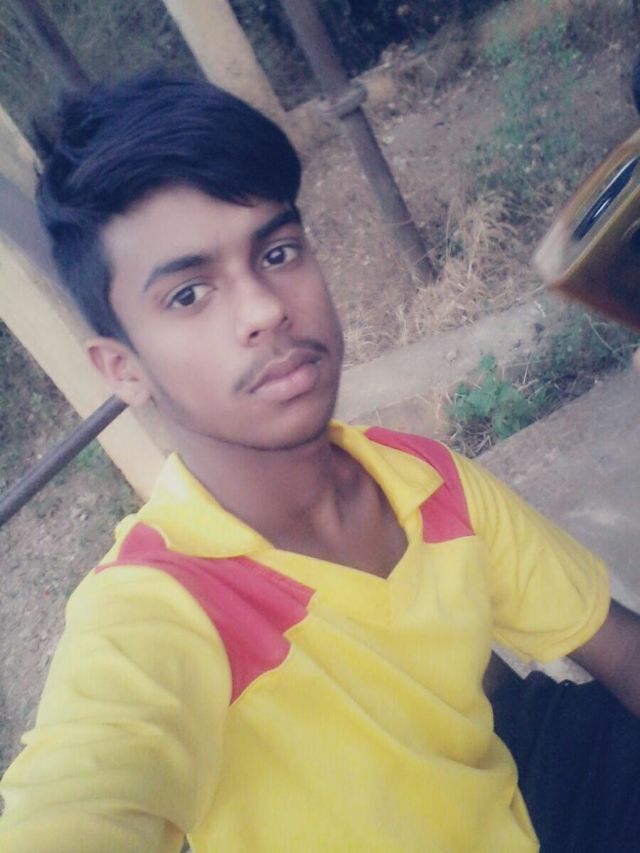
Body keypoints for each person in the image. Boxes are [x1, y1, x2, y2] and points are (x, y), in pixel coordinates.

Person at [0, 74, 638, 853]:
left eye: (277, 252)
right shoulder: (155, 614)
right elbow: (77, 797)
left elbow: (612, 642)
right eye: (189, 294)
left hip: (531, 789)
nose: (265, 308)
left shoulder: (423, 480)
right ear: (123, 369)